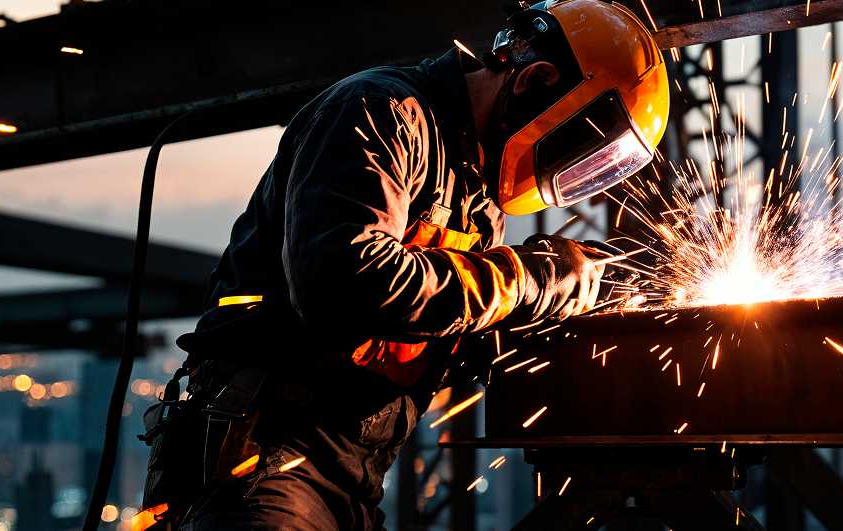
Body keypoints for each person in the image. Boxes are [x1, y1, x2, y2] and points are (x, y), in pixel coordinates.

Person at [134, 1, 669, 529]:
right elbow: (344, 283)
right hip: (269, 456)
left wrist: (562, 320)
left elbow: (439, 322)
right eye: (580, 142)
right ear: (536, 80)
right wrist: (529, 279)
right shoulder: (381, 113)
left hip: (355, 479)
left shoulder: (477, 201)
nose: (570, 166)